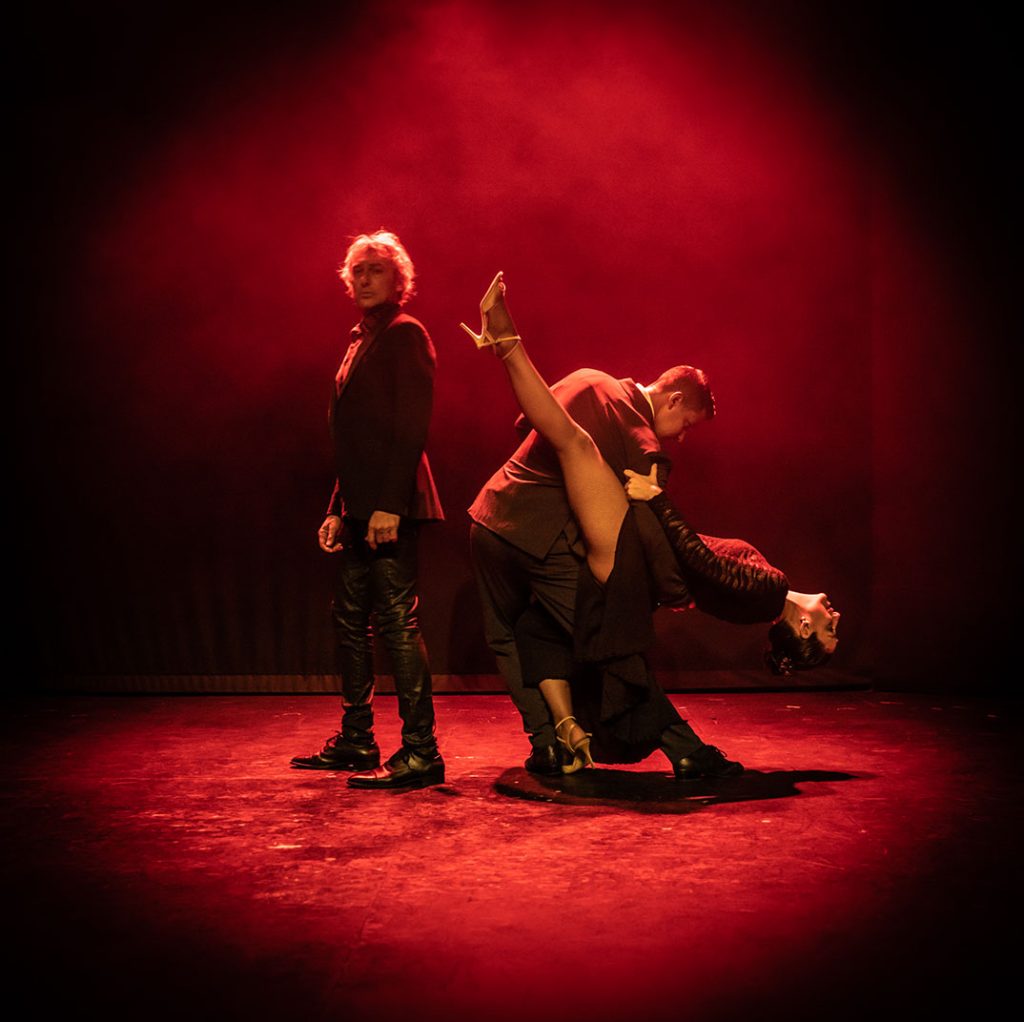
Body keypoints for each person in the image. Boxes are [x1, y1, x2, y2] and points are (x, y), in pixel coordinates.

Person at [465, 273, 839, 774]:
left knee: (513, 636)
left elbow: (528, 424)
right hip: (545, 541)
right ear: (674, 399)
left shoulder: (588, 378)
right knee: (614, 651)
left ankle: (548, 743)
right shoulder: (644, 444)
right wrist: (656, 557)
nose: (681, 438)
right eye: (685, 425)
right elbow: (656, 531)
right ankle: (683, 749)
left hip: (491, 514)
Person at [291, 231, 445, 790]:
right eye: (356, 270)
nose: (363, 279)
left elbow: (410, 427)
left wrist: (388, 506)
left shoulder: (406, 334)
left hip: (389, 505)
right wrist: (338, 507)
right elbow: (355, 442)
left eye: (375, 269)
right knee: (350, 621)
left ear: (399, 280)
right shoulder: (360, 340)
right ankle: (357, 739)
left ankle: (422, 752)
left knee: (397, 624)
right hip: (360, 505)